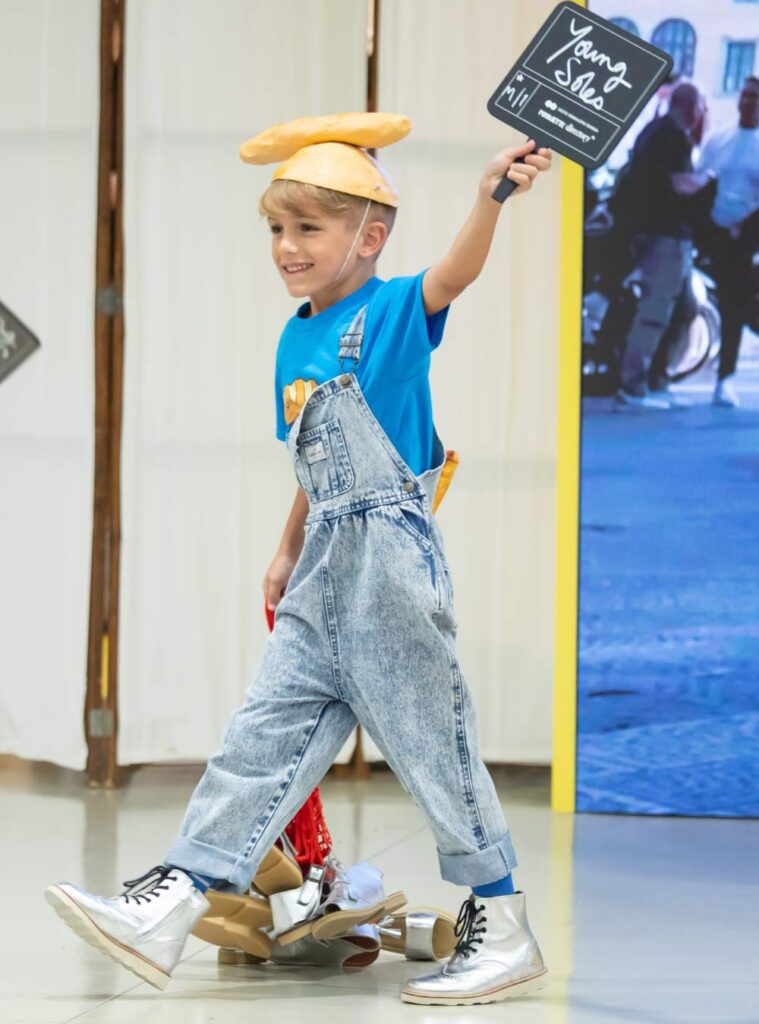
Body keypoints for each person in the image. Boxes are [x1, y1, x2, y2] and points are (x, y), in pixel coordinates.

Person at [45, 112, 552, 1006]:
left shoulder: (392, 310)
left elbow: (457, 273)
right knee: (262, 735)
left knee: (430, 741)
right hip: (323, 557)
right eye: (277, 228)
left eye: (308, 228)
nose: (286, 246)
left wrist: (491, 196)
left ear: (370, 235)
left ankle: (500, 920)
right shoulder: (294, 338)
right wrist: (285, 550)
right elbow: (311, 461)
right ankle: (175, 898)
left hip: (389, 558)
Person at [613, 82, 707, 408]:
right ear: (692, 108)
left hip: (652, 232)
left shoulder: (652, 131)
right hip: (665, 235)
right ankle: (634, 387)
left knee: (686, 309)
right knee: (656, 311)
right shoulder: (673, 135)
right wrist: (708, 181)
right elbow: (679, 185)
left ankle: (657, 380)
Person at [697, 76, 759, 407]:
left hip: (745, 239)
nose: (749, 102)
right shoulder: (718, 140)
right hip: (711, 234)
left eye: (756, 97)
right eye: (746, 96)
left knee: (737, 308)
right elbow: (702, 180)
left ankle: (724, 379)